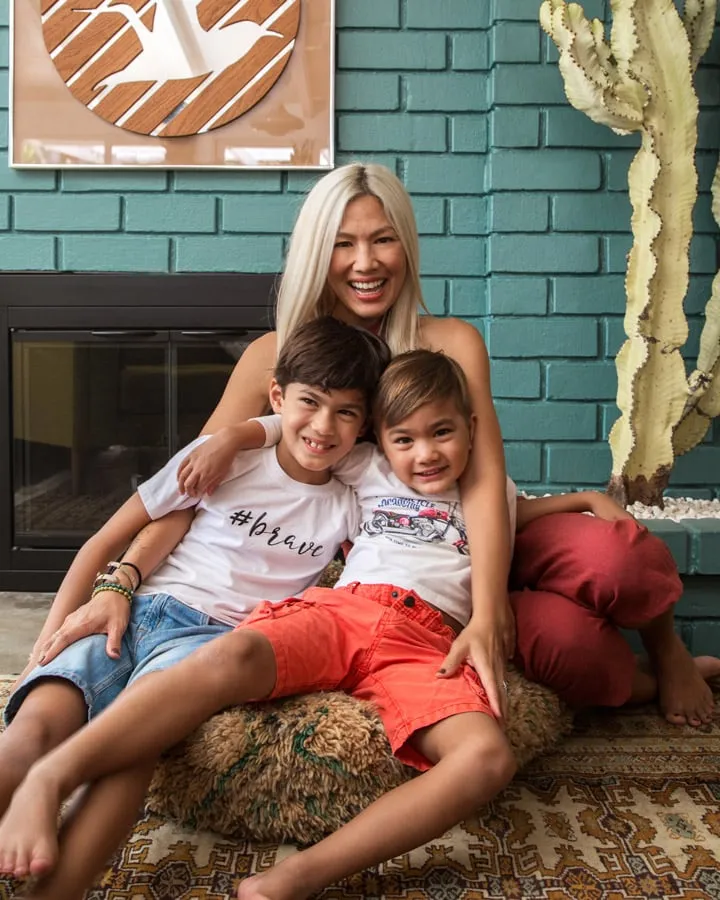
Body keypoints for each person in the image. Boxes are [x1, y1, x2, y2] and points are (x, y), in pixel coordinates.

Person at [21, 162, 713, 737]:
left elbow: (484, 477)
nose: (365, 263)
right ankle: (642, 684)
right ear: (315, 253)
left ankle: (668, 649)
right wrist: (123, 576)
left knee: (613, 554)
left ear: (406, 246)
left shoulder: (452, 342)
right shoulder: (273, 356)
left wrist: (492, 607)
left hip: (485, 528)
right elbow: (197, 485)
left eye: (383, 240)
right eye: (343, 244)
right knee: (572, 649)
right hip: (397, 564)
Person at [3, 350, 718, 899]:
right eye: (403, 438)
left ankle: (297, 878)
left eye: (442, 433)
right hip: (346, 610)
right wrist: (233, 435)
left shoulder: (491, 491)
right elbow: (305, 431)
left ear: (473, 429)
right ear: (379, 439)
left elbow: (528, 514)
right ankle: (51, 775)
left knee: (485, 758)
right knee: (229, 659)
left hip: (429, 641)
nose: (425, 453)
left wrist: (590, 495)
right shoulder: (366, 469)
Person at [0, 316, 390, 894]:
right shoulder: (220, 458)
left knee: (132, 753)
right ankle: (30, 791)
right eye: (310, 402)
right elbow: (106, 539)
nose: (323, 426)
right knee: (36, 719)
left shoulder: (349, 502)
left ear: (364, 424)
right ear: (279, 395)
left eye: (347, 412)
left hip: (210, 644)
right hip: (138, 609)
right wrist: (45, 648)